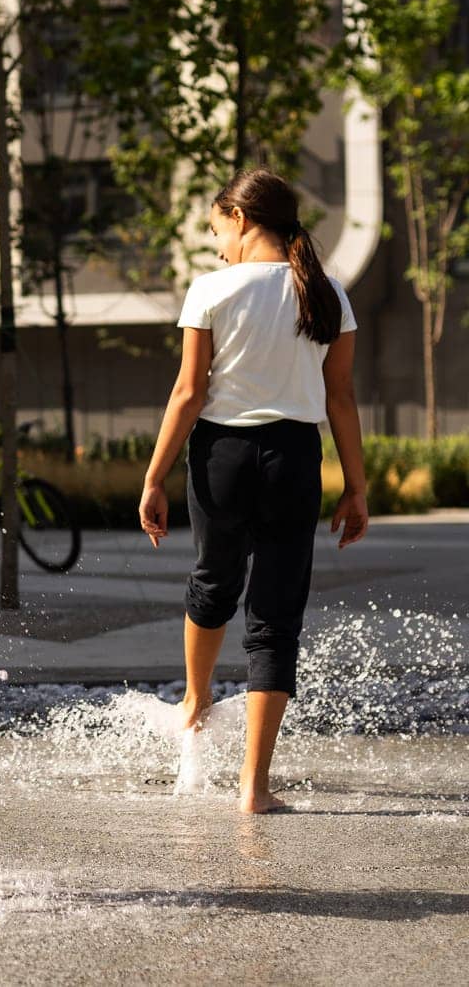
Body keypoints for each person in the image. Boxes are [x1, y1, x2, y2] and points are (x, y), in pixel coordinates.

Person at [138, 168, 369, 815]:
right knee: (275, 617)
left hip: (221, 456)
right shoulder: (324, 293)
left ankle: (195, 699)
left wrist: (154, 476)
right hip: (295, 458)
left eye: (218, 231)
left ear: (240, 218)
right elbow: (341, 397)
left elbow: (189, 392)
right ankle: (254, 786)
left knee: (213, 581)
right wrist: (357, 488)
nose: (218, 248)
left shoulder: (212, 288)